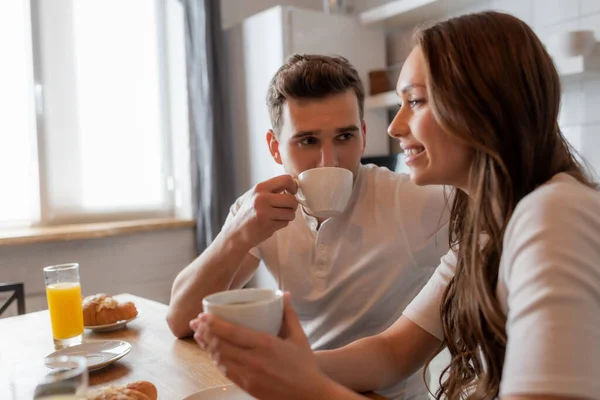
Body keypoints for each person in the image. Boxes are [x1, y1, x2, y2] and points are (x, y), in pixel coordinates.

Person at [191, 11, 600, 400]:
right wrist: (283, 366)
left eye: (417, 102)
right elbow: (392, 352)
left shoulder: (553, 213)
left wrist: (305, 382)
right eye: (308, 140)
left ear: (484, 107)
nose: (394, 126)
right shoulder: (485, 231)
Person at [168, 54, 450, 399]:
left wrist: (284, 367)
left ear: (363, 135)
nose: (328, 161)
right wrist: (235, 236)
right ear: (275, 147)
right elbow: (180, 319)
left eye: (344, 137)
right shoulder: (259, 209)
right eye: (308, 141)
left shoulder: (416, 199)